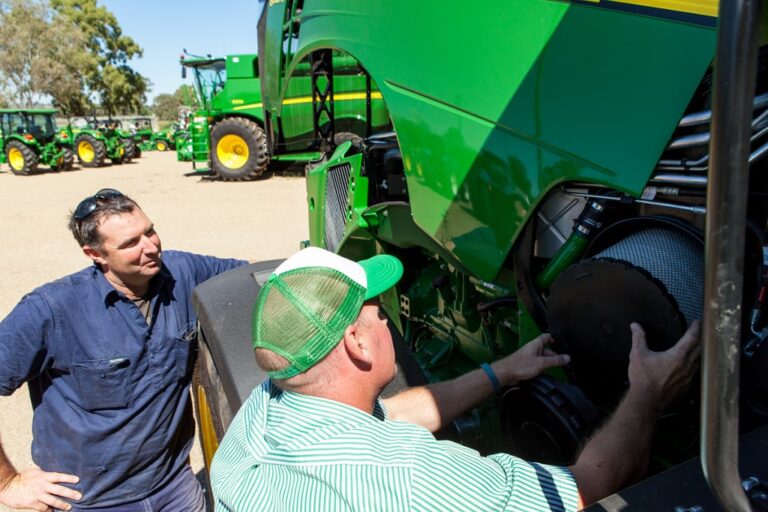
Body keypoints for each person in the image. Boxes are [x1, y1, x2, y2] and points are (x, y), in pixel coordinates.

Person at [210, 247, 701, 511]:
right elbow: (581, 490)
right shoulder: (408, 478)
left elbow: (391, 415)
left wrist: (499, 371)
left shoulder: (265, 406)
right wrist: (649, 392)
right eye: (378, 313)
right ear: (357, 343)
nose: (386, 322)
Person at [0, 189, 248, 511]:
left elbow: (250, 277)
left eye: (150, 231)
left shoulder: (181, 272)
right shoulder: (52, 310)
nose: (151, 247)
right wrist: (7, 483)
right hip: (89, 500)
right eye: (131, 243)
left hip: (175, 487)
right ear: (95, 254)